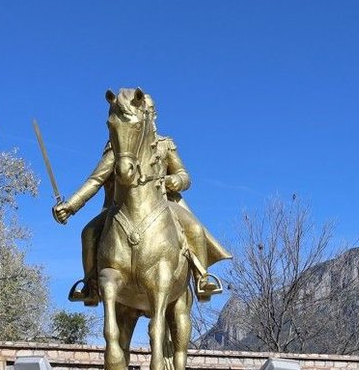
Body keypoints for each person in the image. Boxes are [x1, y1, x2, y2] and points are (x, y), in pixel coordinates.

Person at [52, 91, 229, 304]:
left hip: (164, 203)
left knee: (195, 229)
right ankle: (90, 285)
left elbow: (184, 175)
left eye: (151, 112)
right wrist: (70, 206)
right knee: (88, 233)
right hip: (123, 207)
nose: (149, 115)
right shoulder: (119, 148)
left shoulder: (165, 144)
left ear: (153, 115)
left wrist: (176, 180)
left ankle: (201, 278)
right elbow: (96, 180)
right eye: (146, 111)